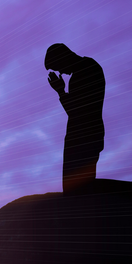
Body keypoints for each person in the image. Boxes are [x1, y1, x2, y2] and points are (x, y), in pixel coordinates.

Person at [45, 43, 105, 194]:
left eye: (58, 67)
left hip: (84, 137)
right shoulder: (84, 70)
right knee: (78, 188)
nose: (61, 72)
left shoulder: (85, 71)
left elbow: (76, 112)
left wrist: (60, 91)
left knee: (78, 189)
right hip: (84, 136)